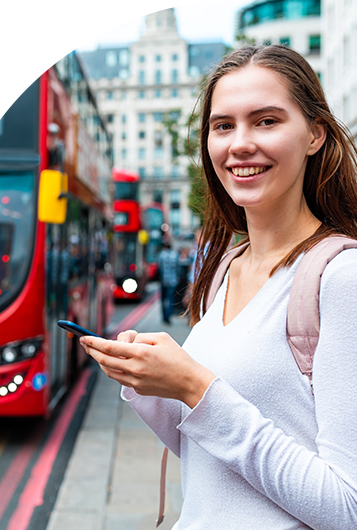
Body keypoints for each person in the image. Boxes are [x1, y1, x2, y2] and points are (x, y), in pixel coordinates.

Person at [80, 45, 357, 529]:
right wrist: (153, 383)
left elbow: (346, 507)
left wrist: (195, 385)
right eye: (223, 125)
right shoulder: (225, 269)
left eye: (266, 121)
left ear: (314, 134)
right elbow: (213, 459)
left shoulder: (340, 278)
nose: (239, 144)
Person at [157, 242, 179, 324]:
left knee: (163, 300)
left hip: (163, 281)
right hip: (173, 281)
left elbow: (159, 268)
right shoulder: (175, 255)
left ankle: (164, 316)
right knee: (171, 299)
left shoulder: (161, 255)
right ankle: (169, 315)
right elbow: (178, 268)